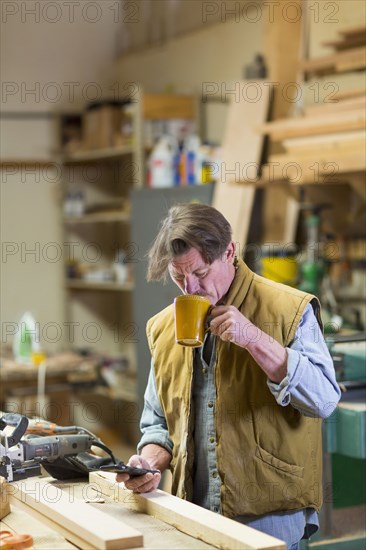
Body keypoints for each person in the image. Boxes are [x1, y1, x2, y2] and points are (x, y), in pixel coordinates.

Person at [116, 203, 341, 550]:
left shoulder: (288, 309)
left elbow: (324, 399)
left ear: (229, 252)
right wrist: (149, 462)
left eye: (201, 274)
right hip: (193, 521)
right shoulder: (163, 327)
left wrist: (254, 339)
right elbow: (158, 423)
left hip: (269, 524)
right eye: (179, 277)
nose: (190, 288)